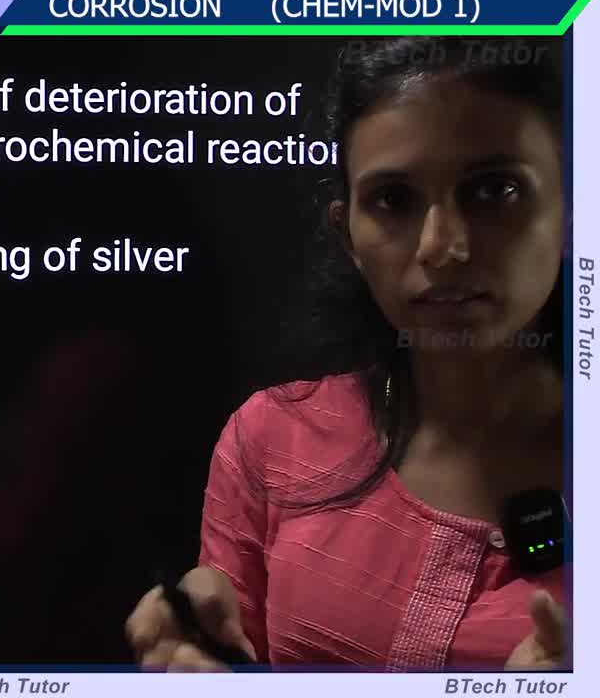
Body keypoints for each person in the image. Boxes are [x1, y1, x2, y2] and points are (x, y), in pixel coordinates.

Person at [125, 36, 568, 671]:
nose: (443, 246)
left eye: (494, 190)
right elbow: (225, 651)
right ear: (349, 236)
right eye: (393, 200)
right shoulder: (273, 440)